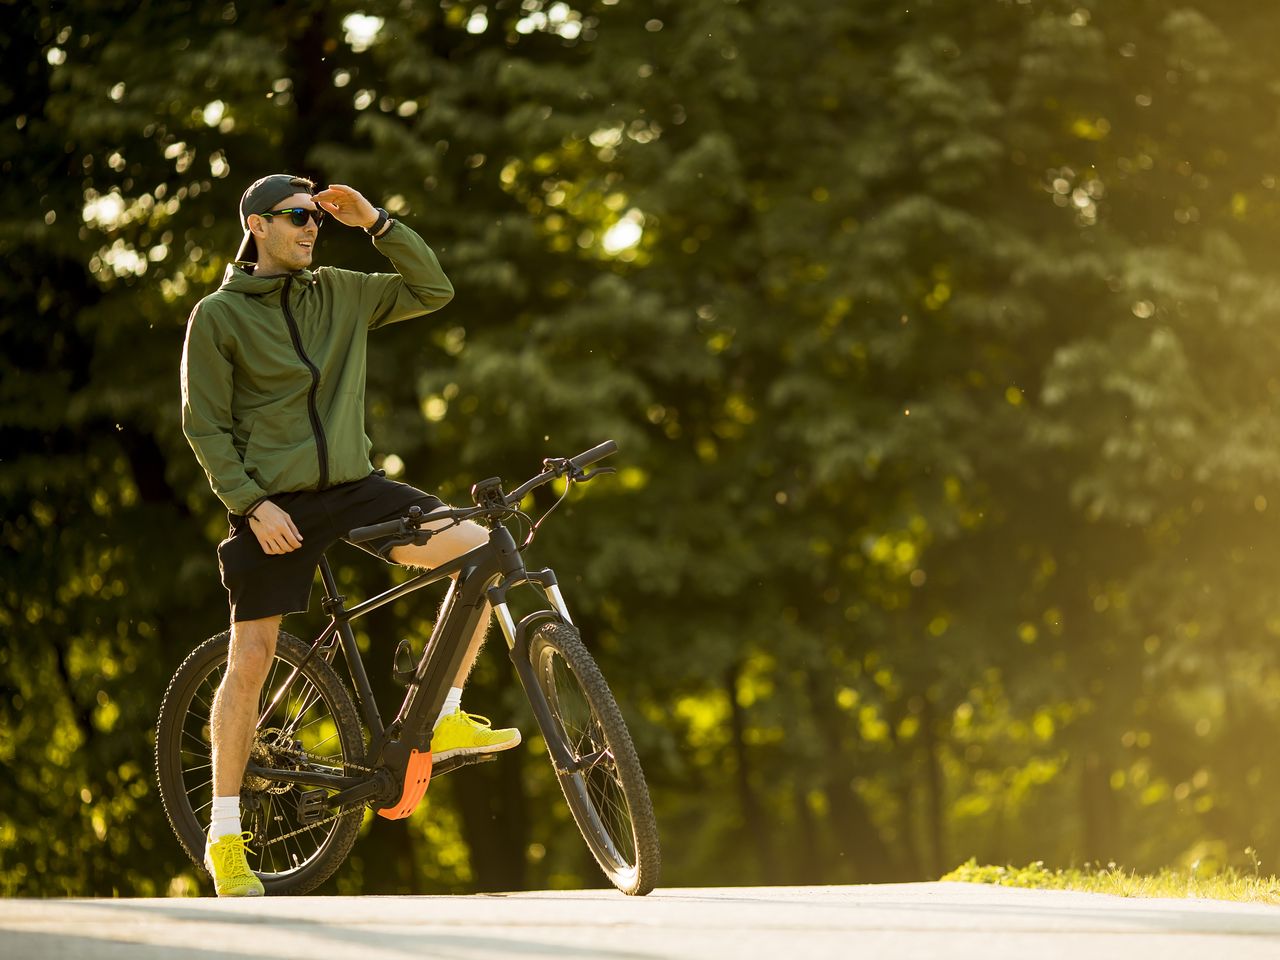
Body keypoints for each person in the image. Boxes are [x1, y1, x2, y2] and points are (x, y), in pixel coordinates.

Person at [180, 173, 519, 897]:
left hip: (356, 485)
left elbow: (434, 290)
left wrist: (378, 222)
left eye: (316, 219)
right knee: (252, 657)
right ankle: (225, 835)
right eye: (296, 217)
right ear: (257, 225)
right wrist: (249, 503)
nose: (310, 227)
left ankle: (447, 716)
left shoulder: (340, 290)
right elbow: (203, 424)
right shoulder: (218, 317)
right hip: (274, 504)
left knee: (480, 550)